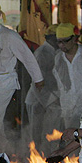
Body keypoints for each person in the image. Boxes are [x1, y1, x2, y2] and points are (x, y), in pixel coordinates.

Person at [0, 0, 44, 155]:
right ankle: (2, 149)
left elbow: (27, 57)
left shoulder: (9, 36)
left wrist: (38, 79)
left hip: (4, 82)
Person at [25, 25, 60, 154]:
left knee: (48, 133)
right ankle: (37, 158)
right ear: (49, 38)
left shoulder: (56, 51)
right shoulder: (42, 53)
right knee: (37, 134)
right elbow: (38, 81)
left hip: (50, 98)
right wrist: (51, 100)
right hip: (38, 99)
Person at [53, 23, 82, 129]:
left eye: (65, 41)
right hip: (68, 108)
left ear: (74, 38)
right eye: (59, 42)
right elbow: (59, 85)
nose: (62, 45)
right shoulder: (58, 58)